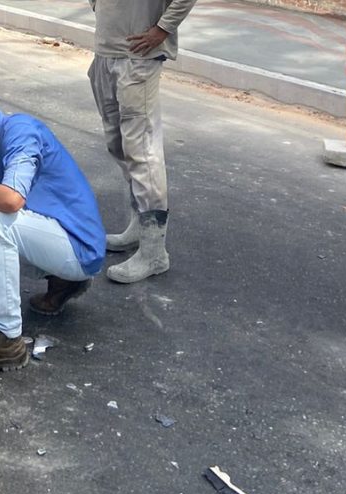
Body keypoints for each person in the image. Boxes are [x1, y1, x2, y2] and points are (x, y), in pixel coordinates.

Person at [0, 77, 106, 376]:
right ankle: (65, 283)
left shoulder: (20, 131)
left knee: (0, 224)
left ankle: (7, 340)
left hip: (80, 247)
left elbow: (10, 202)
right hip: (57, 240)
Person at [88, 0, 197, 283]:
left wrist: (163, 28)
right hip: (105, 51)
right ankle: (139, 227)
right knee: (118, 144)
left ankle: (154, 251)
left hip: (138, 58)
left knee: (142, 152)